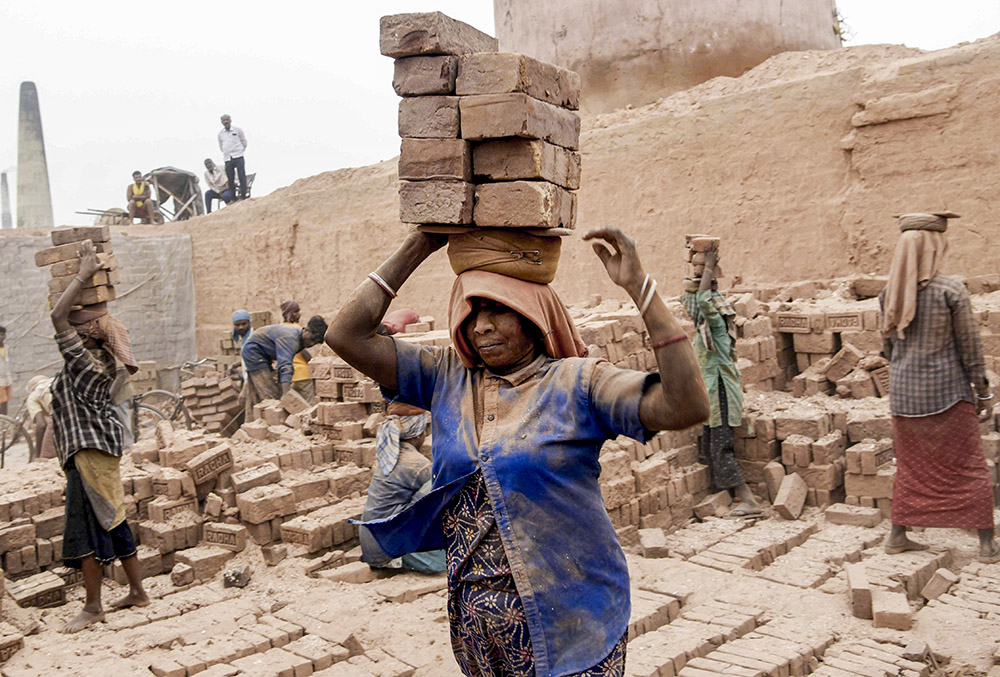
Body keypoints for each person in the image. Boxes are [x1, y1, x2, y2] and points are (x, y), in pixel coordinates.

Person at [327, 227, 709, 676]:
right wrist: (421, 244)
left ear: (532, 316)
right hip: (478, 632)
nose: (481, 325)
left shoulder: (578, 384)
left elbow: (686, 405)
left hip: (572, 622)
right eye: (471, 312)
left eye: (498, 310)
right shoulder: (446, 378)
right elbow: (345, 336)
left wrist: (640, 288)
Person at [879, 212, 1000, 563]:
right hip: (947, 394)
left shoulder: (889, 292)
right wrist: (983, 391)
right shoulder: (950, 290)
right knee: (967, 466)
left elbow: (888, 349)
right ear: (933, 249)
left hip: (904, 397)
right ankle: (987, 544)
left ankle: (898, 535)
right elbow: (970, 348)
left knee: (912, 467)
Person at [48, 240, 149, 633]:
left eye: (77, 329)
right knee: (114, 518)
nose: (69, 332)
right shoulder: (101, 360)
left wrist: (85, 273)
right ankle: (138, 591)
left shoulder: (86, 362)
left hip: (89, 453)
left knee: (86, 526)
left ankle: (93, 606)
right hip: (101, 452)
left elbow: (57, 316)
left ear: (89, 335)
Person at [680, 244, 761, 517]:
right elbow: (691, 299)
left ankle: (748, 499)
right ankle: (723, 496)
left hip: (722, 393)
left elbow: (702, 299)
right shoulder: (705, 329)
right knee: (711, 445)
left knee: (721, 447)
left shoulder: (714, 324)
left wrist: (711, 265)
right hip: (713, 393)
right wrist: (695, 260)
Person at [360, 402, 446, 574]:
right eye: (425, 429)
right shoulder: (417, 465)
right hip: (387, 549)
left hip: (371, 542)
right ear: (418, 433)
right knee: (441, 483)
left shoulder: (391, 455)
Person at [241, 315, 327, 419]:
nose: (311, 344)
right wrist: (286, 393)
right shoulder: (290, 338)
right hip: (253, 353)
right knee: (270, 396)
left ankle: (250, 424)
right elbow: (285, 365)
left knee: (254, 395)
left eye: (315, 343)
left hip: (262, 355)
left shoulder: (299, 339)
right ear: (307, 330)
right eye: (312, 339)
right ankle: (273, 426)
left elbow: (281, 359)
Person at [281, 301, 316, 403]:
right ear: (289, 313)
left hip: (290, 377)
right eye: (296, 311)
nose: (299, 314)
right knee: (310, 405)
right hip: (303, 375)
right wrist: (313, 363)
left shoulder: (279, 328)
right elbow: (303, 352)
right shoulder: (296, 329)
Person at [25, 375, 56, 461]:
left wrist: (37, 453)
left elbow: (41, 425)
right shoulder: (54, 383)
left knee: (47, 452)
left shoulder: (33, 395)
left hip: (56, 409)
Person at [218, 114, 248, 200]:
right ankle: (233, 197)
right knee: (230, 178)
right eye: (224, 120)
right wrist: (226, 152)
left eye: (227, 120)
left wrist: (240, 150)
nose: (226, 122)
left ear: (230, 120)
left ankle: (243, 195)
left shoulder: (237, 130)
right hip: (228, 158)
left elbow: (243, 141)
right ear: (221, 122)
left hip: (238, 155)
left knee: (241, 175)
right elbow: (221, 145)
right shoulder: (220, 134)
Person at [0, 325, 10, 416]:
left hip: (7, 380)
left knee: (5, 402)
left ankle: (4, 423)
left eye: (2, 334)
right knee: (1, 402)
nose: (1, 337)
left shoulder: (7, 348)